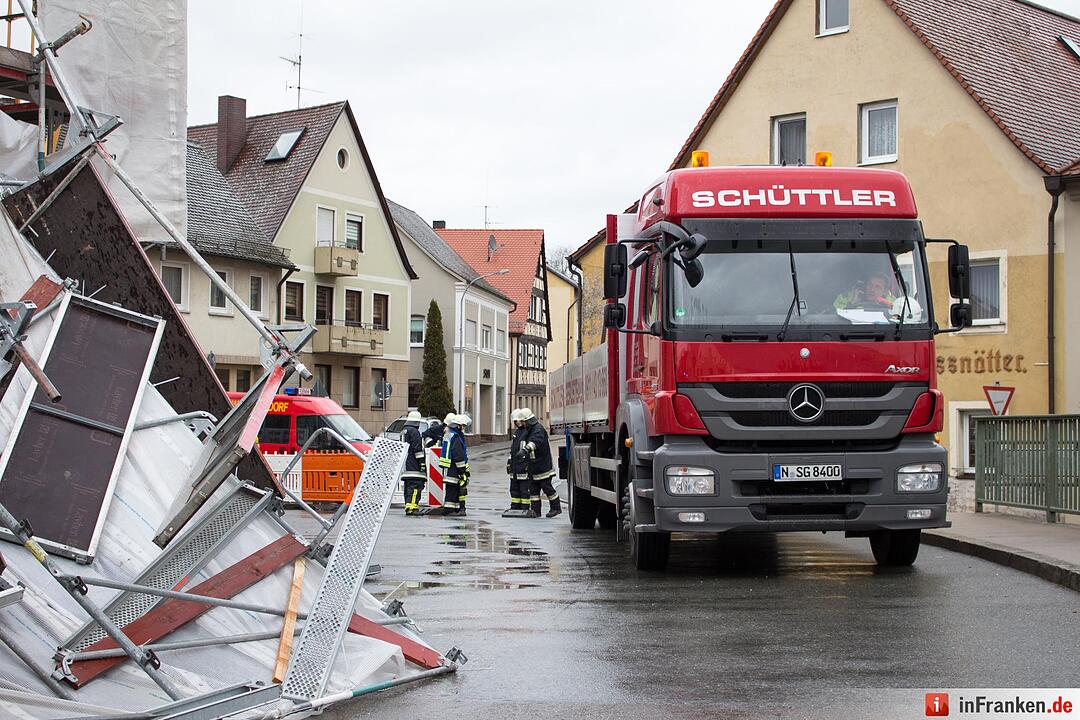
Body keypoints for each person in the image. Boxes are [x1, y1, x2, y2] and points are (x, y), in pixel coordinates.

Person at [518, 407, 560, 518]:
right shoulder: (529, 430)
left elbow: (536, 441)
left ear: (527, 421)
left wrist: (526, 450)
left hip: (543, 466)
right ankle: (536, 511)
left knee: (547, 487)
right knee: (533, 490)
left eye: (523, 421)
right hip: (534, 467)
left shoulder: (538, 429)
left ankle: (556, 508)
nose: (522, 424)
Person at [435, 413, 468, 516]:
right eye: (462, 426)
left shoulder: (449, 434)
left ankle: (453, 509)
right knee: (454, 490)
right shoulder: (456, 437)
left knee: (451, 489)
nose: (463, 428)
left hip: (448, 467)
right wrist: (462, 470)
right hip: (454, 468)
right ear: (457, 426)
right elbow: (458, 454)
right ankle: (452, 510)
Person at [502, 409, 533, 517]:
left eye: (520, 420)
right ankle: (515, 506)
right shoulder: (516, 433)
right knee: (514, 488)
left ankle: (525, 507)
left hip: (524, 466)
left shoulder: (527, 432)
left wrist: (526, 464)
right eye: (516, 421)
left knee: (524, 489)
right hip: (515, 467)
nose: (518, 423)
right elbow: (513, 450)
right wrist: (509, 462)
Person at [400, 411, 426, 516]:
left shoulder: (404, 431)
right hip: (414, 466)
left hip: (405, 466)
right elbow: (417, 450)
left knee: (408, 487)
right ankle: (413, 508)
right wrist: (422, 463)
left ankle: (408, 506)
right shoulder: (414, 432)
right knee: (416, 486)